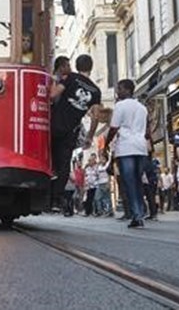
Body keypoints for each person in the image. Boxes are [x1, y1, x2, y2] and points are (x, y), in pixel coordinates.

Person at [49, 55, 102, 211]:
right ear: (91, 67)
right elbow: (95, 117)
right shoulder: (96, 91)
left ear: (77, 66)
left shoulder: (70, 78)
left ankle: (47, 188)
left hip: (55, 124)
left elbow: (53, 95)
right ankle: (56, 198)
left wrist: (53, 80)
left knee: (51, 158)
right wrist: (89, 137)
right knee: (65, 164)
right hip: (71, 131)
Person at [106, 79, 149, 228]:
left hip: (126, 147)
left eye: (120, 89)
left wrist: (106, 144)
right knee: (138, 181)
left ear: (127, 90)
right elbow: (146, 130)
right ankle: (140, 211)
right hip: (140, 147)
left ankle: (137, 215)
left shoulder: (120, 106)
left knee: (129, 182)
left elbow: (114, 127)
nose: (117, 92)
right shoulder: (142, 108)